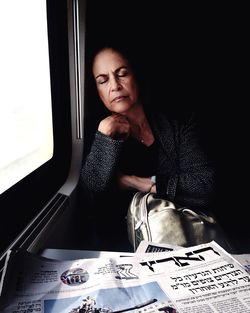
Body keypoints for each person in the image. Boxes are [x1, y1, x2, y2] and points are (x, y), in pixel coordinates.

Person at [80, 45, 215, 251]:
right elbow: (92, 199)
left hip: (185, 234)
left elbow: (205, 186)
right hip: (124, 247)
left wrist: (138, 183)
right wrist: (104, 137)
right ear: (97, 92)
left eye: (122, 74)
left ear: (136, 76)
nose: (115, 85)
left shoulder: (177, 123)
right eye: (103, 80)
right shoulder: (97, 133)